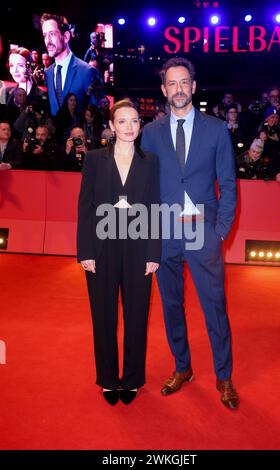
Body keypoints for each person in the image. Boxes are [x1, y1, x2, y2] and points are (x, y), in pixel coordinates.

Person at [141, 57, 239, 409]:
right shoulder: (150, 134)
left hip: (203, 232)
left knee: (214, 305)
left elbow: (228, 184)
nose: (179, 89)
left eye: (185, 82)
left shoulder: (216, 130)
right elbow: (144, 184)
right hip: (165, 233)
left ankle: (224, 376)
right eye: (173, 83)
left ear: (193, 87)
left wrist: (220, 232)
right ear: (164, 90)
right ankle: (182, 368)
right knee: (171, 306)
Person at [77, 100, 160, 405]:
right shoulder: (95, 160)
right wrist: (85, 250)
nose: (129, 127)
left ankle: (133, 378)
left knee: (137, 317)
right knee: (103, 316)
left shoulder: (151, 161)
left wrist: (154, 252)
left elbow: (154, 207)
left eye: (134, 121)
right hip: (101, 248)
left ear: (141, 125)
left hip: (139, 249)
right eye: (122, 121)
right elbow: (85, 207)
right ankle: (109, 379)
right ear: (111, 126)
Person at [40, 13, 99, 116]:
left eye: (52, 34)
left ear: (66, 37)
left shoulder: (87, 71)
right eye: (45, 35)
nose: (47, 41)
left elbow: (96, 114)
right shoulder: (48, 73)